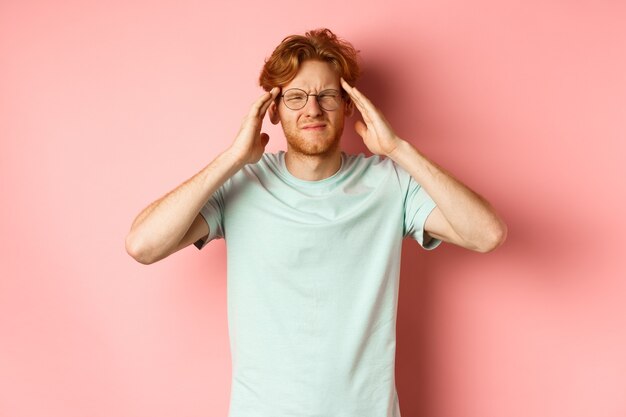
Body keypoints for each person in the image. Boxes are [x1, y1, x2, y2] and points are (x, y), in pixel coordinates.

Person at [126, 28, 506, 417]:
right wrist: (232, 159)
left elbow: (487, 234)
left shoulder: (390, 183)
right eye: (295, 97)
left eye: (326, 95)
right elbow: (143, 245)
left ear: (348, 104)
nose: (312, 109)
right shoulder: (242, 184)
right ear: (272, 109)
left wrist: (397, 149)